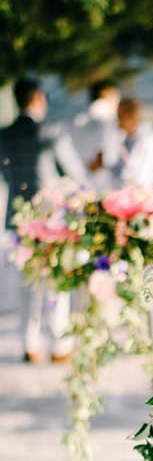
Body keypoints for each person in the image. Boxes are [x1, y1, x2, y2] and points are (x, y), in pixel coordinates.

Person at [0, 78, 75, 362]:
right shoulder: (49, 132)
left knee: (27, 280)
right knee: (57, 280)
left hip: (17, 216)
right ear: (38, 98)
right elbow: (70, 172)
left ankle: (30, 344)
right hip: (51, 216)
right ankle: (59, 345)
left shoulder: (4, 135)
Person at [69, 79, 121, 192]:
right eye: (115, 96)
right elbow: (107, 154)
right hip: (105, 183)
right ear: (106, 94)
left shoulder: (78, 120)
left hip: (79, 182)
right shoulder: (107, 117)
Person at [112, 98, 153, 189]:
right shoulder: (126, 140)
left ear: (132, 118)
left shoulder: (150, 141)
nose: (117, 121)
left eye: (120, 116)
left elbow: (143, 179)